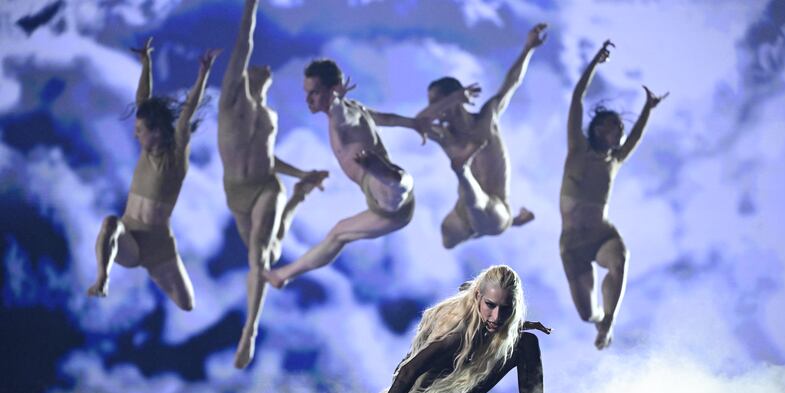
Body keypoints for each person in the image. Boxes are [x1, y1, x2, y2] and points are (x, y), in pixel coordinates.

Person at [218, 0, 329, 368]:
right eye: (255, 67)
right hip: (238, 194)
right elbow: (243, 44)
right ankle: (296, 201)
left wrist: (302, 174)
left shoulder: (269, 116)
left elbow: (269, 158)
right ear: (245, 77)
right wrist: (251, 6)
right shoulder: (233, 102)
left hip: (267, 185)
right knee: (272, 251)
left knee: (259, 257)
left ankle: (249, 331)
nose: (264, 68)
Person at [368, 24, 547, 249]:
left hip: (495, 208)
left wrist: (528, 48)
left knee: (481, 208)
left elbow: (512, 82)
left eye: (438, 102)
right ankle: (505, 219)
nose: (436, 110)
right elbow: (411, 120)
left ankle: (495, 206)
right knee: (448, 238)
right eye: (433, 104)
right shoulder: (444, 135)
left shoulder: (487, 117)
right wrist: (453, 98)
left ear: (457, 98)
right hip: (464, 210)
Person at [356, 265, 551, 393]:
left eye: (506, 308)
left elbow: (487, 308)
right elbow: (408, 371)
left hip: (459, 381)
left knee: (527, 343)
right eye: (490, 305)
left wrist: (521, 325)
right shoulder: (455, 335)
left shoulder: (480, 300)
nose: (497, 317)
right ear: (477, 296)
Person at [87, 38, 219, 311]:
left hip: (158, 246)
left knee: (187, 305)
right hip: (128, 239)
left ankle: (168, 278)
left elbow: (188, 112)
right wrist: (146, 62)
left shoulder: (175, 157)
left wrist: (203, 73)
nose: (136, 135)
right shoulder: (146, 153)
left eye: (140, 131)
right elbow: (143, 101)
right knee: (110, 223)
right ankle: (102, 280)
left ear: (157, 132)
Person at [263, 59, 415, 289]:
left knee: (390, 184)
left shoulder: (342, 113)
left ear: (333, 90)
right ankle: (282, 275)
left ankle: (386, 174)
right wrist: (415, 123)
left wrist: (336, 101)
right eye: (307, 93)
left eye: (315, 92)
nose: (308, 100)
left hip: (382, 187)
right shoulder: (357, 108)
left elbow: (344, 118)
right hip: (390, 210)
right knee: (338, 233)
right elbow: (387, 119)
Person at [560, 40, 668, 349]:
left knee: (620, 261)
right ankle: (598, 318)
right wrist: (595, 63)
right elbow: (577, 98)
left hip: (601, 234)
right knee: (586, 314)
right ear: (596, 129)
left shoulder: (615, 160)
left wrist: (648, 108)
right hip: (572, 245)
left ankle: (608, 323)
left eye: (620, 128)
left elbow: (636, 136)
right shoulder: (577, 148)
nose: (619, 130)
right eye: (612, 125)